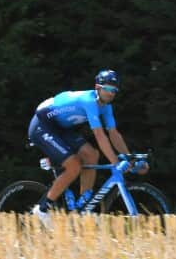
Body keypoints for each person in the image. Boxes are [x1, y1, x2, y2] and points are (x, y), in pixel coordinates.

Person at [27, 70, 145, 227]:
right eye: (108, 89)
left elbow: (113, 133)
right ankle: (42, 210)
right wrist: (115, 161)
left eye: (114, 90)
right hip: (42, 125)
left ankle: (83, 208)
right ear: (97, 88)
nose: (111, 93)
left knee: (91, 155)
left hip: (61, 128)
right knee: (74, 165)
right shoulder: (89, 101)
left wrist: (128, 156)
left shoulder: (106, 107)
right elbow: (99, 135)